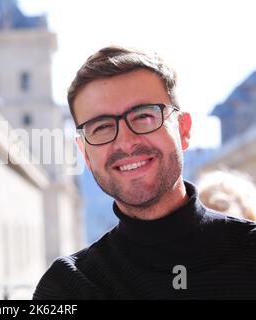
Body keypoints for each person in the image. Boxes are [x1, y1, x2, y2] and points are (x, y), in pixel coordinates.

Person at [33, 45, 256, 299]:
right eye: (102, 127)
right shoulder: (68, 286)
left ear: (183, 130)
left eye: (144, 117)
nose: (126, 142)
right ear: (85, 154)